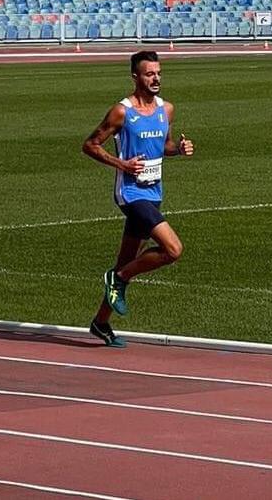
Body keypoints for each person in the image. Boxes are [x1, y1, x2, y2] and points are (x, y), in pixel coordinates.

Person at [82, 50, 193, 348]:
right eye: (149, 73)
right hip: (130, 194)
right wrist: (123, 164)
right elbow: (90, 145)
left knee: (127, 260)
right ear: (135, 77)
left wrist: (178, 149)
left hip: (154, 192)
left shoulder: (166, 109)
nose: (156, 78)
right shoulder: (121, 112)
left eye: (158, 73)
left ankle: (100, 322)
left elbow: (164, 145)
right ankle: (117, 278)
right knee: (173, 249)